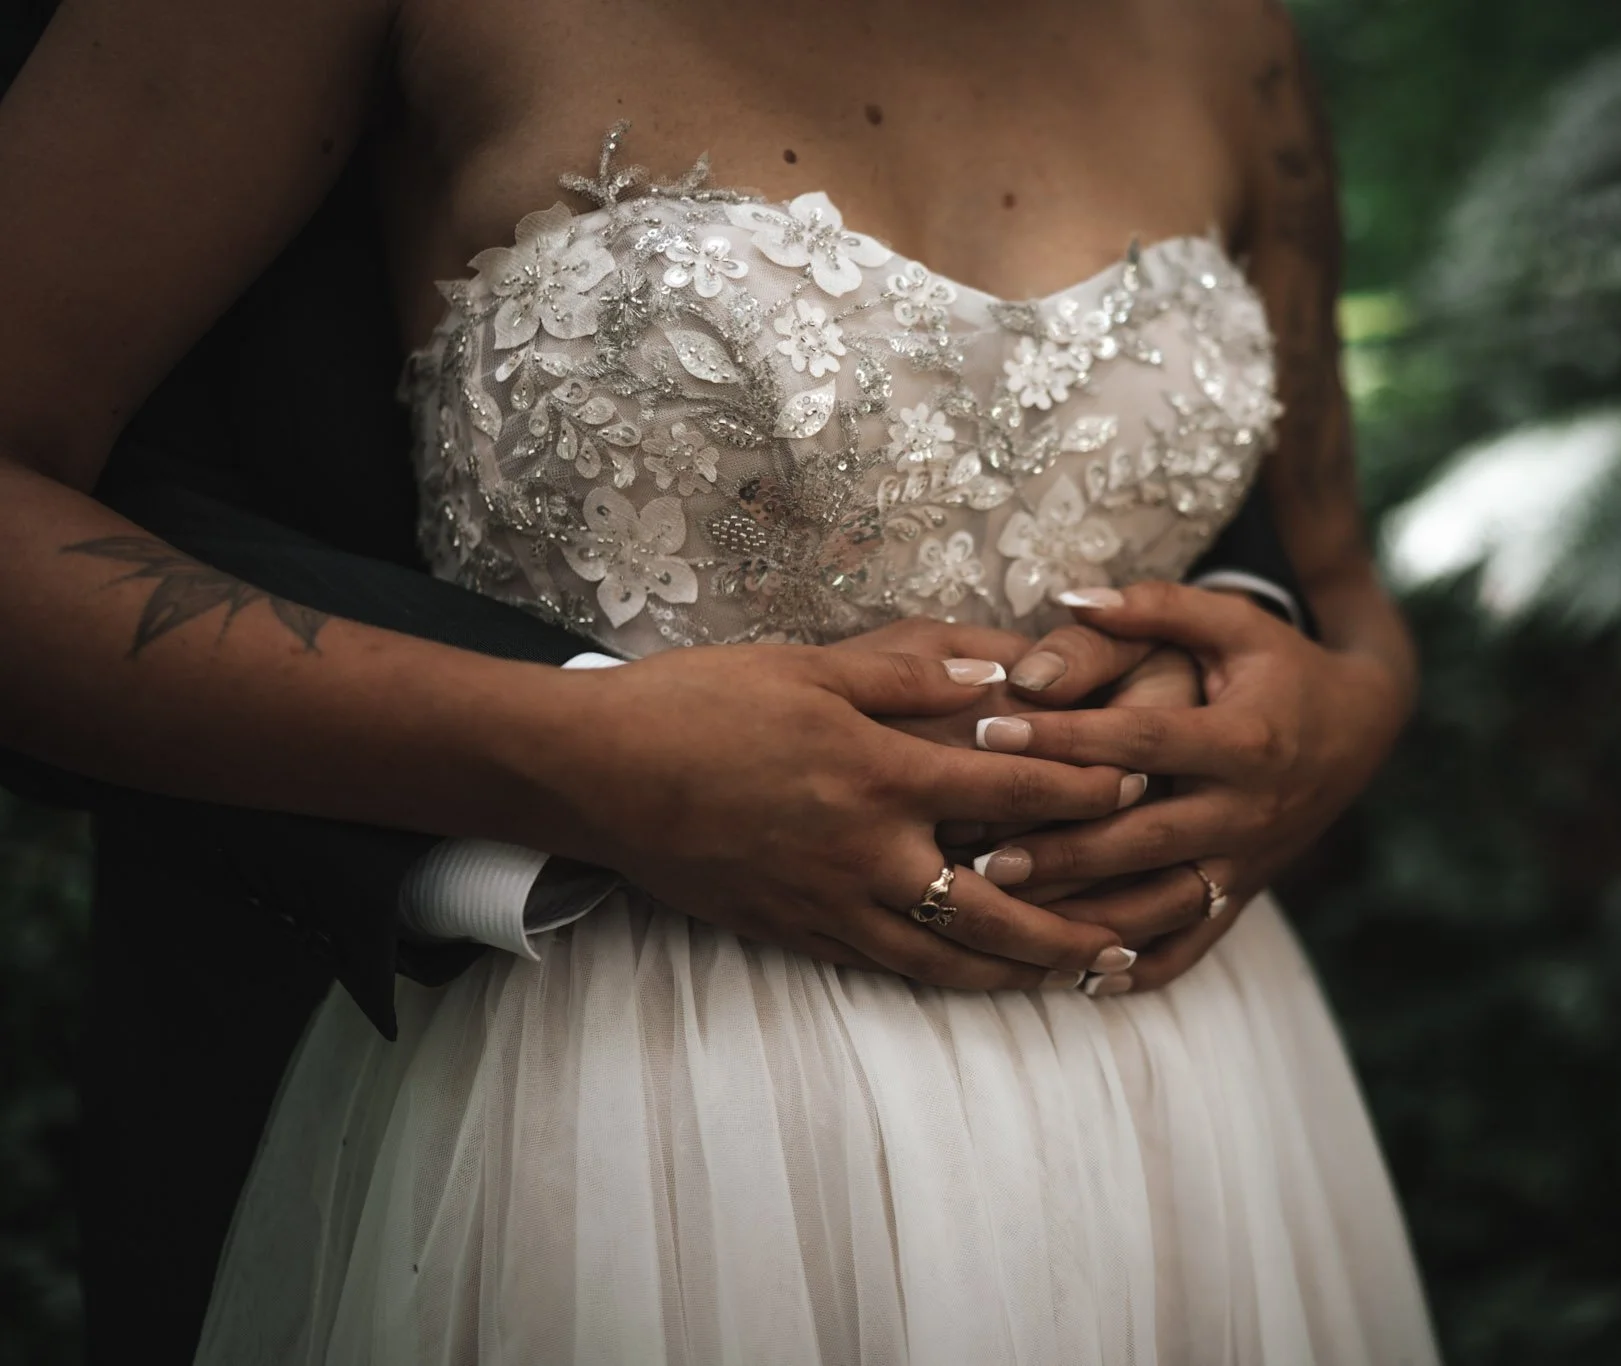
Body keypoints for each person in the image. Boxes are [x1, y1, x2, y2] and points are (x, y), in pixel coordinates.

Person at [0, 0, 1435, 1360]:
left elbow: (1339, 584)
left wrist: (1337, 723)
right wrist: (581, 751)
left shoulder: (1228, 37)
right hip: (628, 1098)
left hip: (1183, 1079)